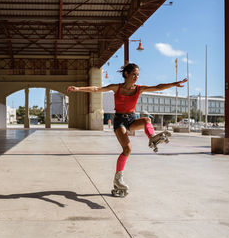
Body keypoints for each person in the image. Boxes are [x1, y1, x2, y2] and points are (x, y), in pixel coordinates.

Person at [67, 63, 187, 197]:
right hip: (119, 121)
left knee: (147, 120)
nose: (136, 77)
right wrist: (78, 89)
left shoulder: (139, 89)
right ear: (126, 74)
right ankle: (118, 178)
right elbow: (96, 89)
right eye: (134, 74)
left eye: (137, 75)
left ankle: (152, 137)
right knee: (127, 149)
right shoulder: (116, 88)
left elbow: (158, 87)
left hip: (131, 119)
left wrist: (174, 84)